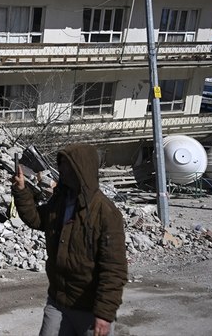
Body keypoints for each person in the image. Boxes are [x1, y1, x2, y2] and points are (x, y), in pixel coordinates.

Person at [11, 144, 128, 336]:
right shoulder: (61, 201)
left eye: (68, 165)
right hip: (58, 301)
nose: (63, 170)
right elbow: (37, 219)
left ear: (82, 169)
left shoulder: (106, 213)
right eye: (62, 164)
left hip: (90, 310)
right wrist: (21, 191)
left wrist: (104, 314)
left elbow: (114, 269)